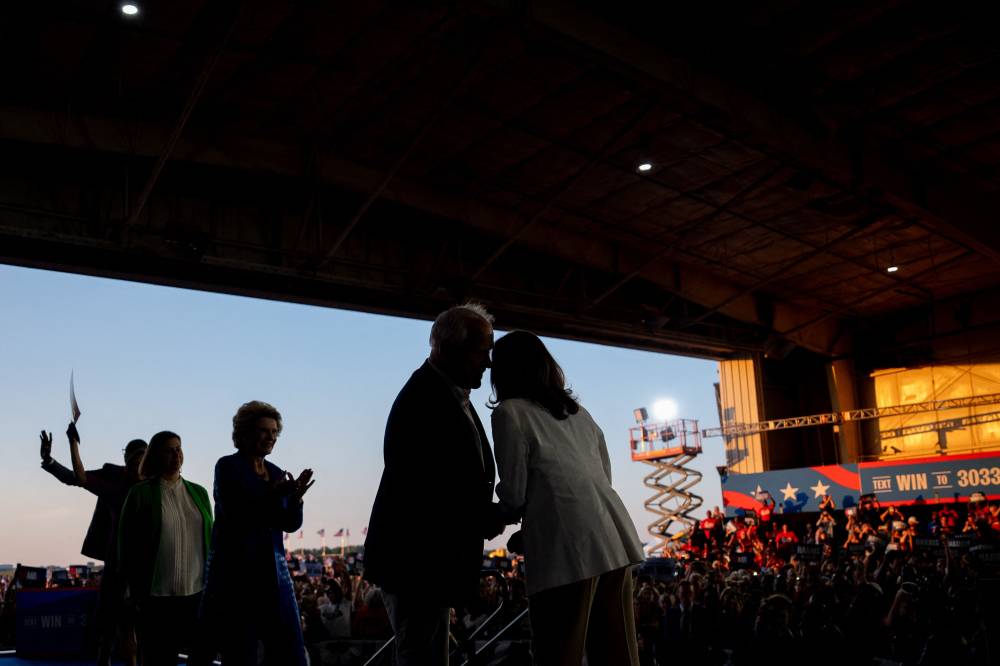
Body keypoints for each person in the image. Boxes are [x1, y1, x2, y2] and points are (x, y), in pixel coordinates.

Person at [489, 330, 643, 666]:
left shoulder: (509, 413)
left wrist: (500, 516)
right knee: (618, 652)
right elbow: (602, 475)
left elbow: (515, 491)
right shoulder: (579, 413)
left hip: (564, 549)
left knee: (557, 652)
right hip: (612, 537)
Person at [364, 303, 502, 666]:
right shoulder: (423, 400)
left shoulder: (447, 395)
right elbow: (424, 492)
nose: (488, 363)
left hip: (428, 565)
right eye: (481, 350)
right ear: (446, 347)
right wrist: (484, 516)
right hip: (416, 564)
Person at [201, 401, 314, 666]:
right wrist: (272, 494)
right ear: (245, 433)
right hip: (236, 573)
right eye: (264, 431)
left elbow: (288, 524)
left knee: (289, 649)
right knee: (241, 649)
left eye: (275, 432)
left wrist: (296, 499)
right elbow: (236, 512)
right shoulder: (227, 467)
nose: (271, 437)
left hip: (274, 573)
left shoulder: (275, 472)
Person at [40, 424, 146, 666]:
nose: (138, 469)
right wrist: (54, 457)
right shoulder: (113, 478)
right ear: (125, 460)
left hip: (146, 568)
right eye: (133, 462)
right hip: (116, 564)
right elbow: (77, 478)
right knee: (107, 626)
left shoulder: (156, 484)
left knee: (133, 629)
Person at [118, 431, 213, 666]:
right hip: (156, 598)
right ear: (154, 456)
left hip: (196, 594)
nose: (176, 454)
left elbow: (211, 541)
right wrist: (132, 589)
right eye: (168, 450)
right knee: (158, 659)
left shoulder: (199, 493)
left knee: (202, 656)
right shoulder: (139, 494)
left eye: (179, 448)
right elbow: (126, 545)